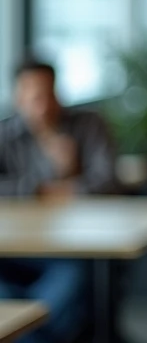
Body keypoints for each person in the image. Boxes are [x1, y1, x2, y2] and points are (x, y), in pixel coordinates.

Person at [0, 59, 119, 343]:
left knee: (71, 281)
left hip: (71, 248)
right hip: (14, 248)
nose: (43, 106)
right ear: (18, 98)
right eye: (34, 97)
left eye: (49, 94)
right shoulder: (5, 135)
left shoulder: (88, 124)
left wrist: (73, 171)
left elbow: (109, 181)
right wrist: (41, 188)